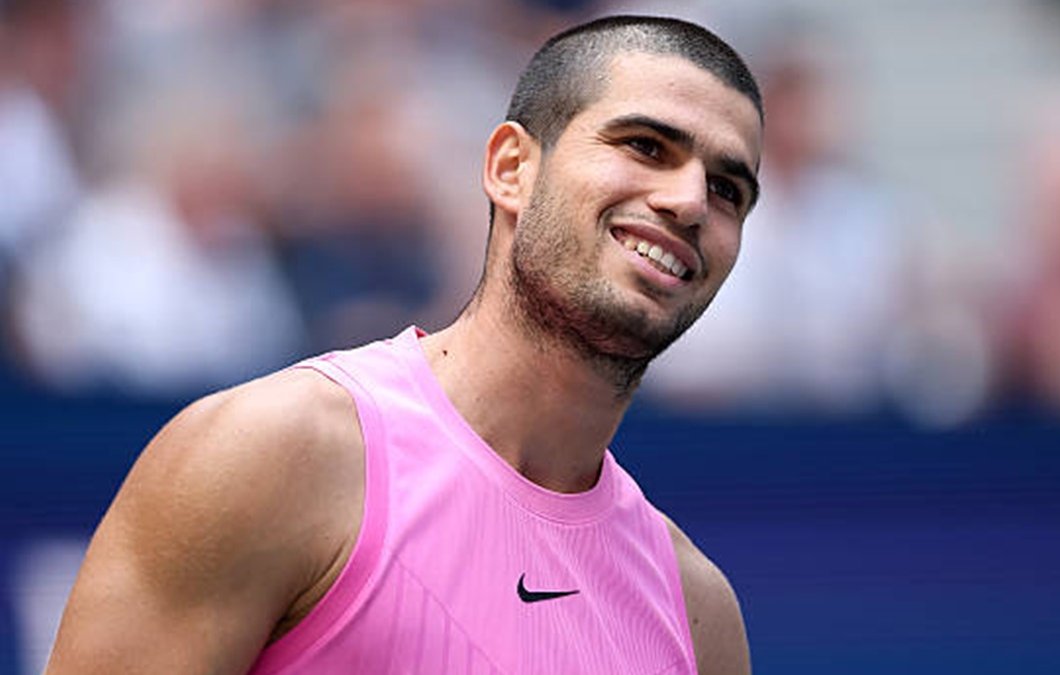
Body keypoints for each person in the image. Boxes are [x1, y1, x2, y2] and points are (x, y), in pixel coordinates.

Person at [46, 15, 762, 675]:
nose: (690, 202)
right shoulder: (271, 454)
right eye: (645, 146)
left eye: (728, 189)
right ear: (511, 168)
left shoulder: (699, 612)